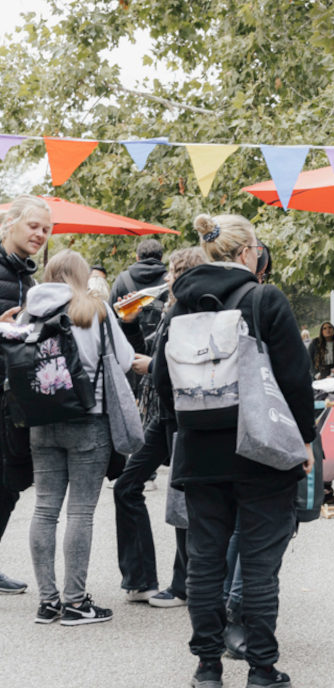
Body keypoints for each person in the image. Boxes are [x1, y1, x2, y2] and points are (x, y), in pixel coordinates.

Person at [153, 213, 315, 688]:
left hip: (201, 451)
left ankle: (207, 668)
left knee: (204, 563)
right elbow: (295, 379)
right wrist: (304, 443)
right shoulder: (265, 299)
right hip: (262, 451)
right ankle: (263, 672)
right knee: (259, 563)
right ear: (249, 252)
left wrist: (188, 433)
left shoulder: (178, 305)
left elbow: (162, 383)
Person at [23, 250, 135, 625]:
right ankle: (75, 602)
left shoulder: (30, 311)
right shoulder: (96, 311)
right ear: (83, 275)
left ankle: (47, 601)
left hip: (42, 420)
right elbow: (122, 359)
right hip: (89, 418)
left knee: (44, 509)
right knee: (81, 512)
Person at [123, 247, 209, 610]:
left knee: (182, 496)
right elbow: (150, 352)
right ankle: (141, 579)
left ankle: (183, 585)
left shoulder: (190, 309)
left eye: (173, 272)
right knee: (127, 485)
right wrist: (127, 323)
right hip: (162, 412)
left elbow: (186, 361)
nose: (167, 278)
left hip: (179, 412)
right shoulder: (168, 310)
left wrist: (152, 364)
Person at [0, 194, 49, 595]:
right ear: (10, 222)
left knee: (10, 483)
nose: (40, 234)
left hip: (12, 398)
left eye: (46, 230)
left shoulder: (27, 278)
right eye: (34, 225)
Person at [110, 237, 168, 355]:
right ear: (161, 258)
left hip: (130, 349)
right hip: (161, 349)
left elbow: (110, 316)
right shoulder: (169, 281)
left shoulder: (122, 280)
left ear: (137, 257)